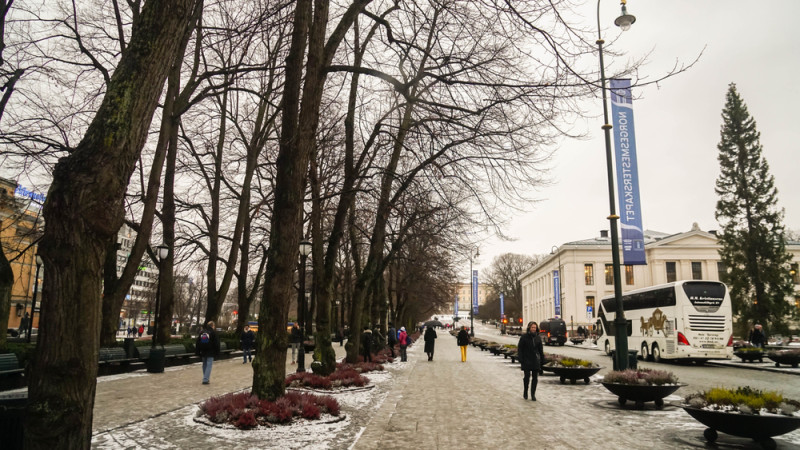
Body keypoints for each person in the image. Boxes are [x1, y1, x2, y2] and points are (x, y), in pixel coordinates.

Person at [518, 321, 546, 401]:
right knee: (527, 377)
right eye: (532, 327)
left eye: (535, 327)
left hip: (535, 360)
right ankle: (525, 391)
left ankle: (533, 394)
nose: (533, 329)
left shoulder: (538, 338)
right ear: (529, 328)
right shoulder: (524, 337)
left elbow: (540, 350)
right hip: (526, 359)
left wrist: (542, 359)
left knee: (535, 378)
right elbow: (520, 348)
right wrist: (521, 358)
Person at [196, 320, 220, 384]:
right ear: (213, 326)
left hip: (203, 351)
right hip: (210, 351)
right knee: (209, 365)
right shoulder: (213, 333)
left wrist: (198, 351)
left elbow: (198, 342)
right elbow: (216, 343)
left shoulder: (202, 332)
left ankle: (205, 377)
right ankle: (205, 379)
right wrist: (217, 352)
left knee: (204, 364)